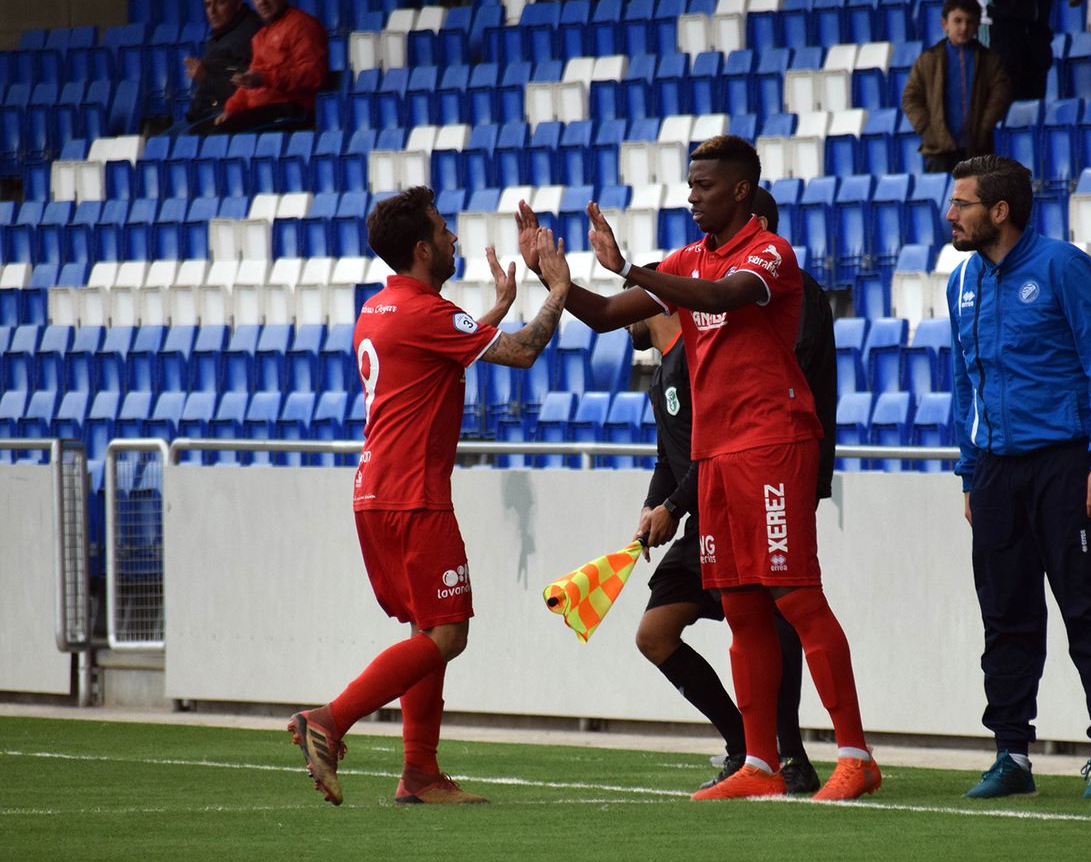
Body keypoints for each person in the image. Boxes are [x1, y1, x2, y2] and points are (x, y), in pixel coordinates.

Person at [521, 135, 880, 802]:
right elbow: (603, 317)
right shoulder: (688, 260)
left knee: (796, 598)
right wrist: (558, 280)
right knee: (742, 606)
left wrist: (632, 267)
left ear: (740, 191)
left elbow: (728, 293)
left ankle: (856, 754)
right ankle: (762, 764)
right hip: (714, 456)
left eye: (704, 186)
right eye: (689, 185)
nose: (692, 196)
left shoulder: (770, 254)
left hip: (773, 445)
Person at [286, 188, 571, 806]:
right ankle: (330, 719)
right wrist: (559, 289)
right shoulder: (428, 314)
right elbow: (522, 354)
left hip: (375, 491)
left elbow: (437, 357)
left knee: (427, 626)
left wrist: (496, 307)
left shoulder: (379, 309)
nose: (454, 239)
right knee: (447, 633)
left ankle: (418, 775)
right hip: (415, 495)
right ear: (422, 248)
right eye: (444, 231)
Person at [629, 185, 837, 796]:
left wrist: (671, 503)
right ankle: (752, 750)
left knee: (786, 610)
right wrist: (658, 499)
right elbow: (685, 447)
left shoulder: (768, 299)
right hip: (710, 494)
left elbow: (765, 399)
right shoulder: (682, 352)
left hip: (767, 468)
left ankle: (804, 754)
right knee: (669, 631)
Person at [944, 155, 1091, 802]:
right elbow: (963, 382)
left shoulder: (1063, 267)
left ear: (999, 211)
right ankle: (1011, 752)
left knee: (1087, 605)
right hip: (995, 470)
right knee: (1004, 614)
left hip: (1066, 464)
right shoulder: (962, 281)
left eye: (962, 204)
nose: (951, 215)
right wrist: (970, 470)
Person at [901, 0, 1013, 174]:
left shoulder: (989, 60)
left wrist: (984, 127)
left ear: (977, 25)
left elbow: (1001, 93)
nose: (964, 27)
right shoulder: (928, 60)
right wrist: (928, 130)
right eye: (958, 21)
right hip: (938, 152)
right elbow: (910, 98)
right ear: (944, 24)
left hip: (978, 149)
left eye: (970, 21)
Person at [213, 0, 326, 132]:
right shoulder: (260, 36)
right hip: (263, 110)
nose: (263, 1)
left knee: (220, 135)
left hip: (291, 109)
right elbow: (248, 83)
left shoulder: (302, 26)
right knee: (200, 133)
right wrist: (231, 108)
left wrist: (266, 78)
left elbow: (313, 75)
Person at [181, 0, 261, 130]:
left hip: (225, 114)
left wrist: (206, 77)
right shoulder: (224, 33)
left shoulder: (248, 35)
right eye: (207, 5)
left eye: (220, 3)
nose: (212, 11)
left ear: (237, 4)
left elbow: (245, 85)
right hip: (204, 112)